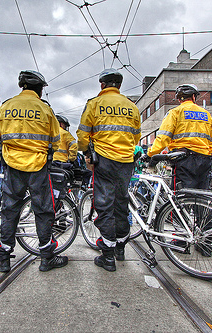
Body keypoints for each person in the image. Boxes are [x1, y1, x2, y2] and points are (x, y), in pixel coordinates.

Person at [0, 69, 66, 273]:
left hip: (12, 166)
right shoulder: (45, 109)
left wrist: (8, 154)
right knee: (43, 210)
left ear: (22, 86)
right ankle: (46, 257)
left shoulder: (7, 106)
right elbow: (55, 142)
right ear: (40, 90)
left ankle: (4, 258)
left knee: (9, 210)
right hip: (38, 166)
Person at [77, 68, 141, 272]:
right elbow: (136, 136)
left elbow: (82, 135)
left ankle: (108, 255)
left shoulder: (94, 104)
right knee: (121, 203)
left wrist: (87, 151)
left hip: (104, 160)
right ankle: (121, 247)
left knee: (104, 204)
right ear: (119, 86)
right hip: (126, 160)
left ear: (102, 85)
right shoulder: (132, 107)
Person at [147, 83, 212, 256]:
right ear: (194, 97)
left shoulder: (175, 112)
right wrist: (205, 153)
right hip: (204, 159)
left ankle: (181, 239)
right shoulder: (206, 114)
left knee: (181, 201)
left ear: (179, 99)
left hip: (184, 160)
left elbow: (163, 136)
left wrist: (151, 153)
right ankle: (206, 242)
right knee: (203, 199)